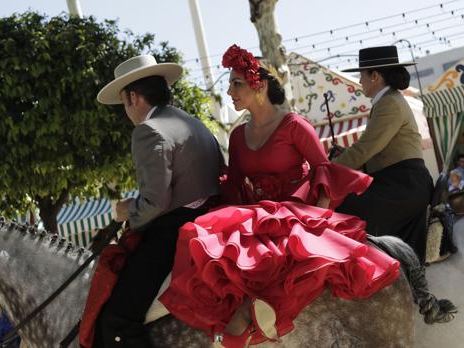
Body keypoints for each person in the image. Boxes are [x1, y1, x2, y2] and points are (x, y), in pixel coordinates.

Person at [159, 44, 401, 348]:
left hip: (299, 214)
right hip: (258, 217)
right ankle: (242, 318)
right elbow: (233, 187)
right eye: (229, 84)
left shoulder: (294, 125)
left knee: (284, 249)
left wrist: (318, 221)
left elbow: (323, 172)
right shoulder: (236, 136)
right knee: (200, 236)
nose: (230, 91)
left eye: (237, 83)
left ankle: (252, 317)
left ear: (259, 85)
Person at [93, 55, 223, 347]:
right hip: (213, 218)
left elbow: (155, 203)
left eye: (124, 103)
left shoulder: (148, 131)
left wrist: (127, 210)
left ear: (133, 98)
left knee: (118, 319)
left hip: (175, 230)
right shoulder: (194, 122)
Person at [332, 46, 434, 263]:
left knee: (345, 209)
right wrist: (342, 157)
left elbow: (364, 149)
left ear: (375, 76)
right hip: (398, 183)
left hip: (404, 185)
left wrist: (329, 170)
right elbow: (370, 151)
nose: (360, 81)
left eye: (362, 75)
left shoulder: (389, 103)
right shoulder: (387, 101)